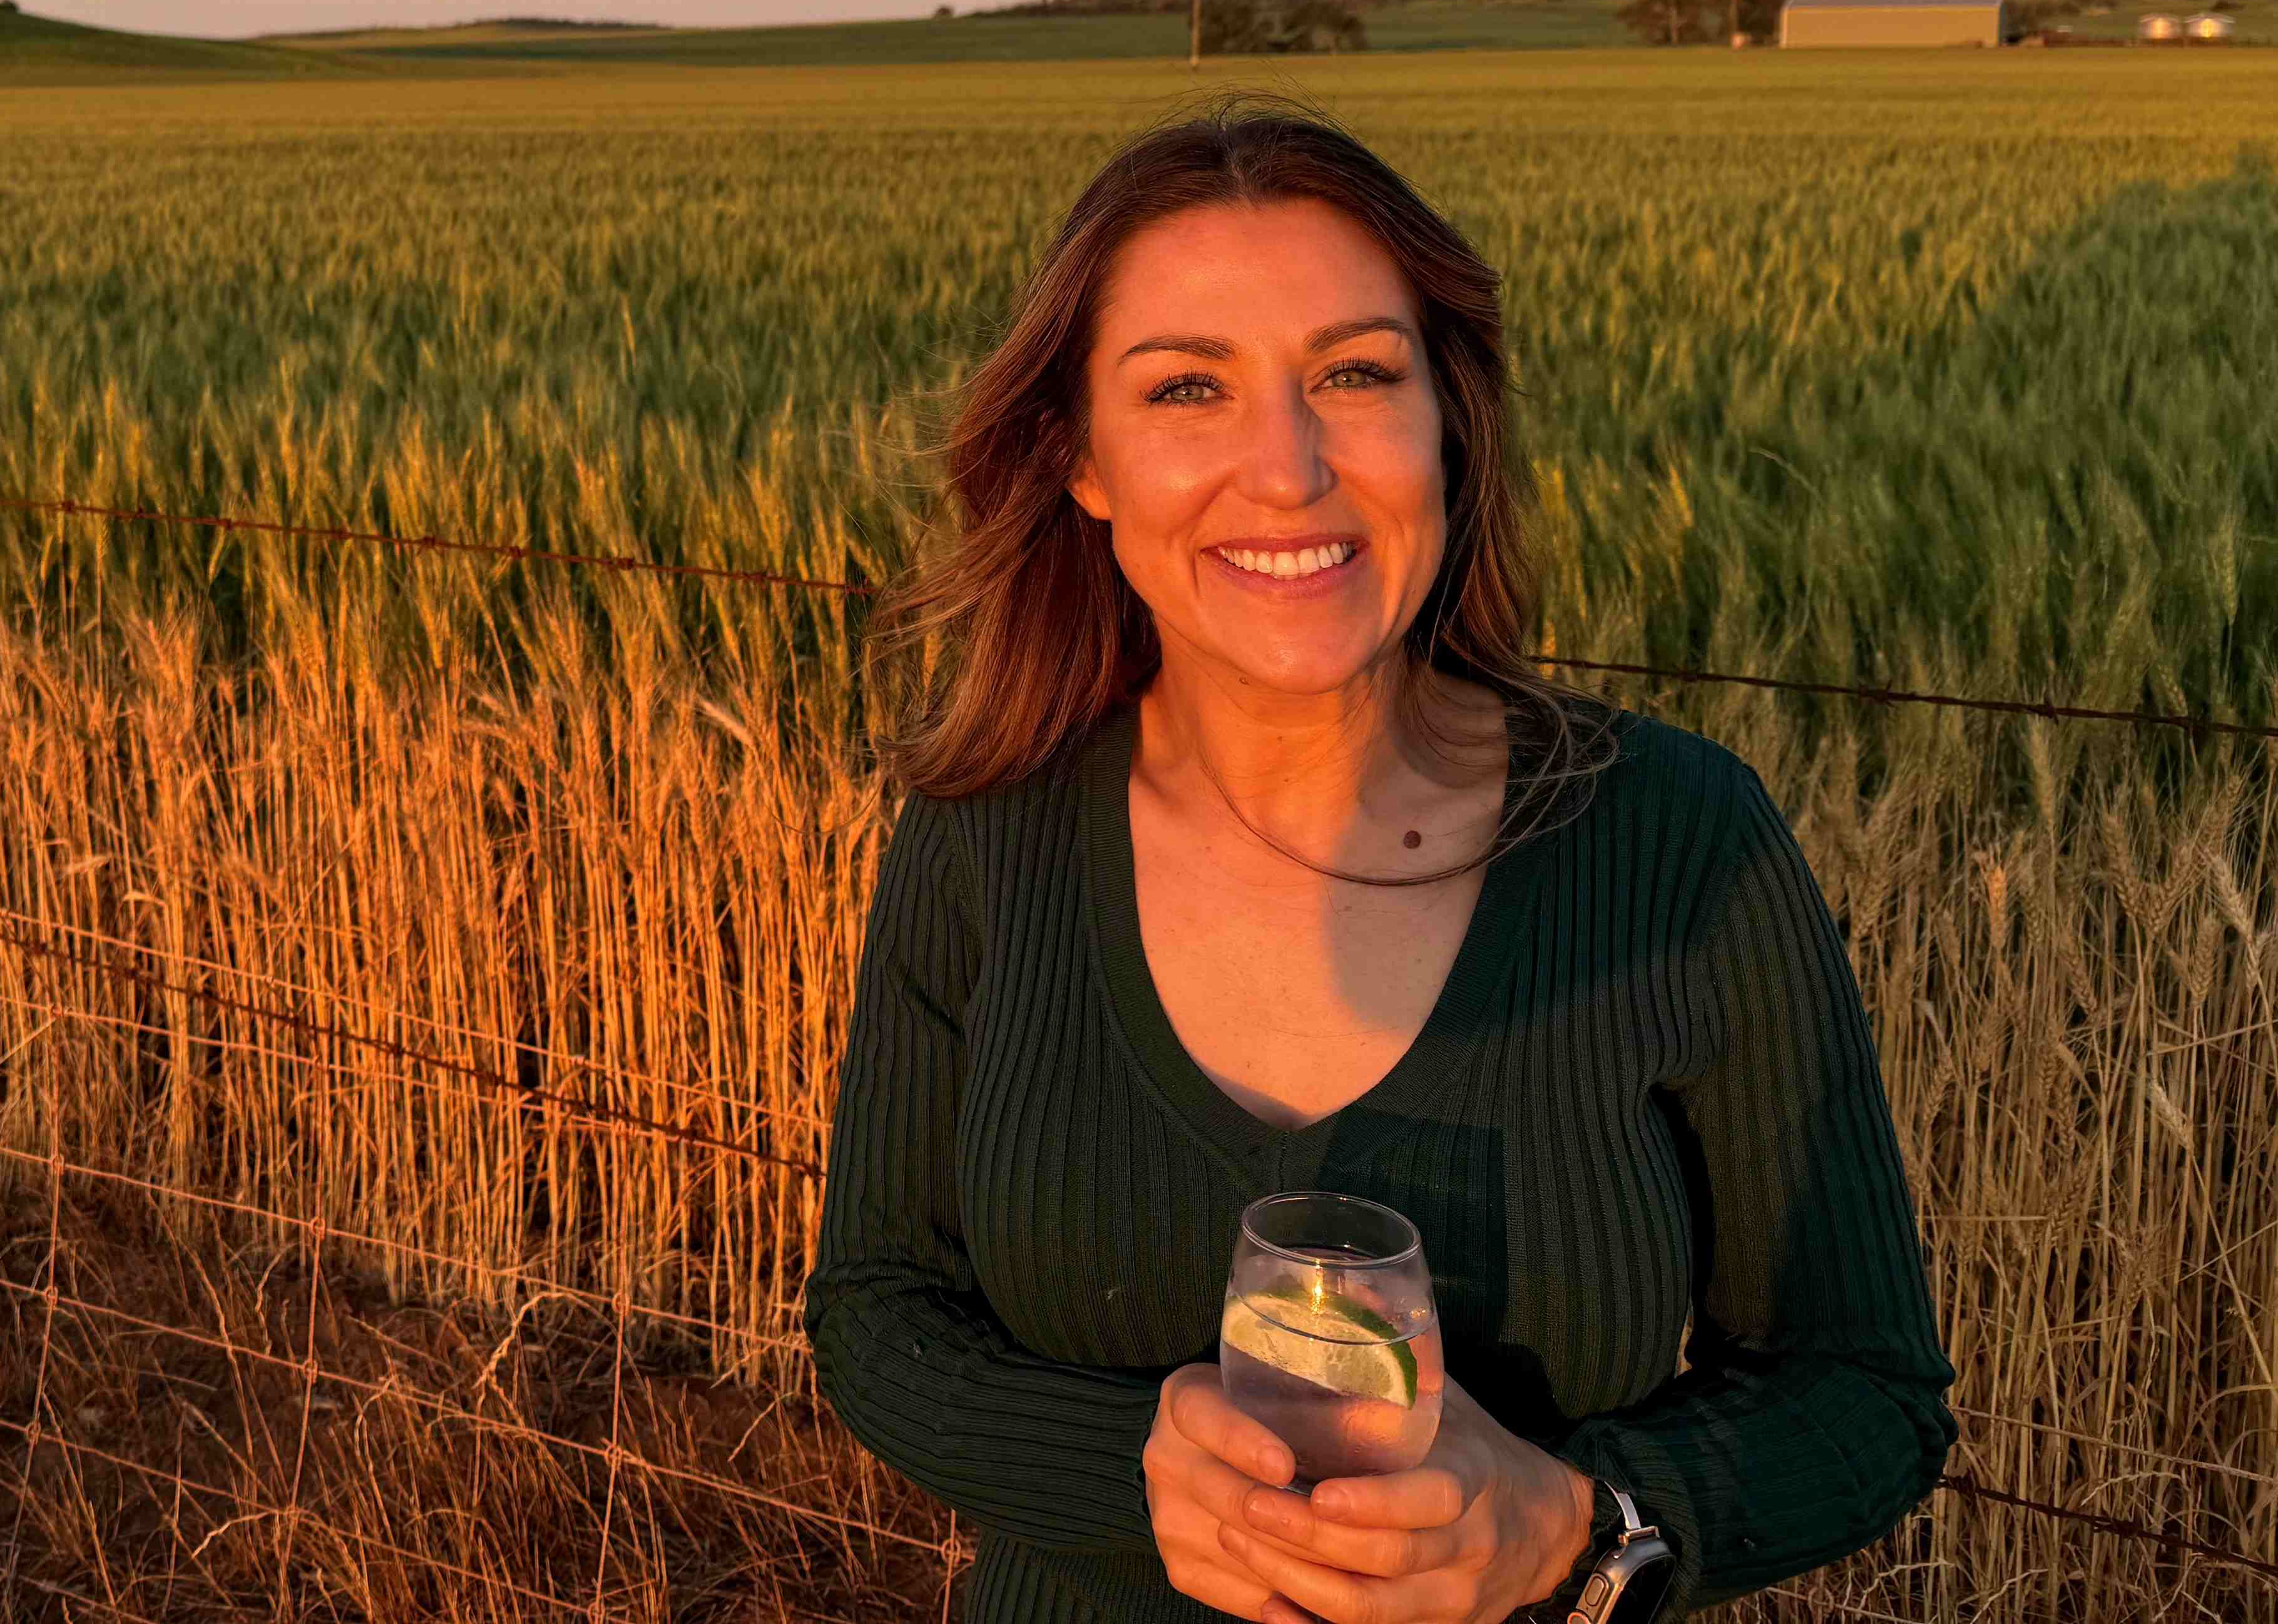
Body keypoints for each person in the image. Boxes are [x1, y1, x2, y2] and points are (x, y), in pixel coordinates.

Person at [805, 105, 1953, 1623]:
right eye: (1187, 390)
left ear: (1447, 420)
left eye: (1354, 374)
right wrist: (1134, 1474)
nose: (1285, 473)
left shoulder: (1677, 843)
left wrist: (1576, 1524)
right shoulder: (988, 831)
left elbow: (1866, 1388)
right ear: (1079, 459)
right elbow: (878, 1310)